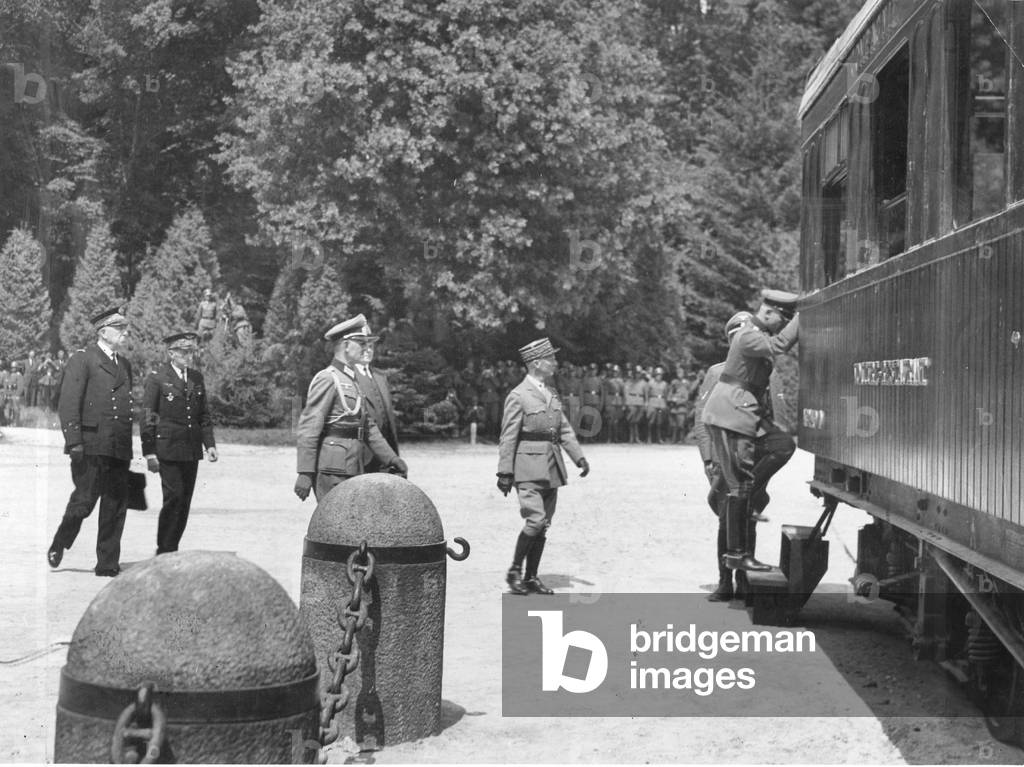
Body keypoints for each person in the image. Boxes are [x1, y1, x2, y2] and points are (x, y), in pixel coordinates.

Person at [701, 289, 799, 573]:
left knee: (782, 445)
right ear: (768, 312)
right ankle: (736, 554)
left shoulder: (755, 335)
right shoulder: (748, 334)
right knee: (739, 486)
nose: (782, 325)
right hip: (732, 413)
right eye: (782, 319)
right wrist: (803, 318)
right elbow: (780, 344)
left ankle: (747, 499)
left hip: (744, 412)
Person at [497, 338, 590, 595]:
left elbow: (564, 429)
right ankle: (514, 571)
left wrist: (578, 457)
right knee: (535, 521)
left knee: (544, 524)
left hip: (552, 466)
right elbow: (508, 436)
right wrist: (504, 472)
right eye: (551, 359)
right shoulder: (518, 396)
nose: (555, 363)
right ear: (537, 363)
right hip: (527, 467)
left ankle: (531, 577)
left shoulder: (551, 393)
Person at [47, 307, 135, 577]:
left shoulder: (125, 365)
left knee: (115, 504)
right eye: (119, 329)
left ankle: (107, 563)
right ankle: (61, 539)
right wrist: (74, 441)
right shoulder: (83, 359)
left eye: (124, 328)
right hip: (91, 443)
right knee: (84, 502)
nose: (124, 333)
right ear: (103, 332)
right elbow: (68, 402)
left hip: (118, 446)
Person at [294, 314, 408, 502]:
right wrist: (305, 472)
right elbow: (309, 427)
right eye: (361, 343)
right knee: (333, 518)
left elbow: (368, 427)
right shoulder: (328, 378)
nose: (366, 348)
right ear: (346, 345)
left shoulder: (352, 380)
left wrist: (392, 459)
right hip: (332, 470)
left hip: (353, 467)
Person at [141, 332, 218, 554]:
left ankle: (172, 548)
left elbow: (203, 415)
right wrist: (149, 452)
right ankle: (164, 549)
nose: (188, 356)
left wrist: (210, 444)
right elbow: (148, 416)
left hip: (191, 449)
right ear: (171, 353)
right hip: (167, 448)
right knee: (173, 498)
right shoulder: (158, 378)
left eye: (191, 352)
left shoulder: (196, 378)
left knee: (184, 501)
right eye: (183, 352)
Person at [353, 331, 400, 471]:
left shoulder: (380, 377)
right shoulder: (348, 377)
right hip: (361, 455)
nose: (368, 350)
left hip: (385, 456)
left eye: (371, 346)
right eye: (363, 345)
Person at [623, 366, 646, 444]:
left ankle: (637, 437)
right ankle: (631, 438)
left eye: (639, 373)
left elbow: (646, 394)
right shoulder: (629, 382)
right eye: (636, 373)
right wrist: (627, 403)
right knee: (631, 420)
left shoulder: (644, 383)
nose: (637, 375)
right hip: (632, 401)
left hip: (640, 402)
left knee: (637, 421)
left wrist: (645, 403)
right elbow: (626, 393)